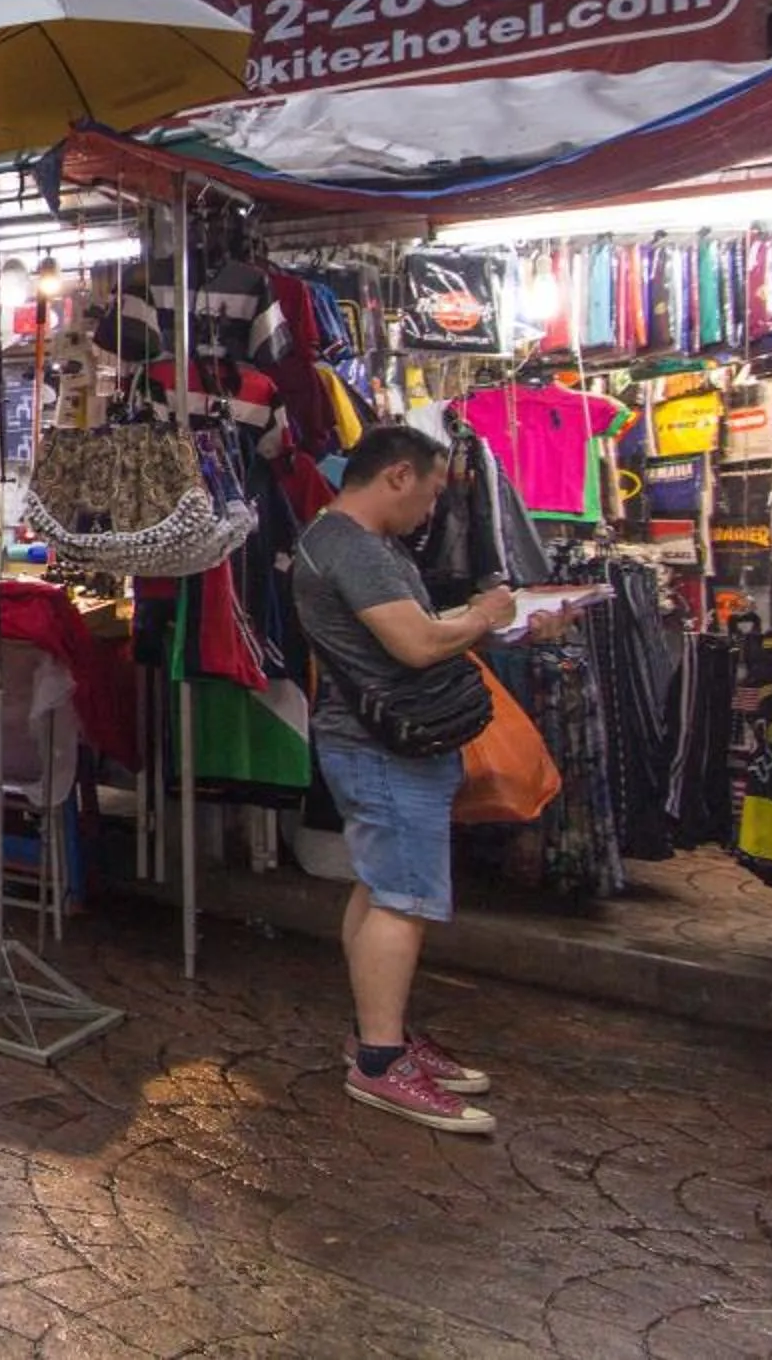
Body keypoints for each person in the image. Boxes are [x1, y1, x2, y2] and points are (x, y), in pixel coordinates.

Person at [292, 423, 543, 1136]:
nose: (432, 511)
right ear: (397, 476)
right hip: (384, 747)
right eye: (430, 493)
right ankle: (379, 1060)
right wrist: (486, 614)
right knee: (402, 898)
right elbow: (417, 642)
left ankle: (382, 1034)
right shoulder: (351, 547)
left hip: (375, 742)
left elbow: (412, 629)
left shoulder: (349, 542)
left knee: (381, 887)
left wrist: (484, 621)